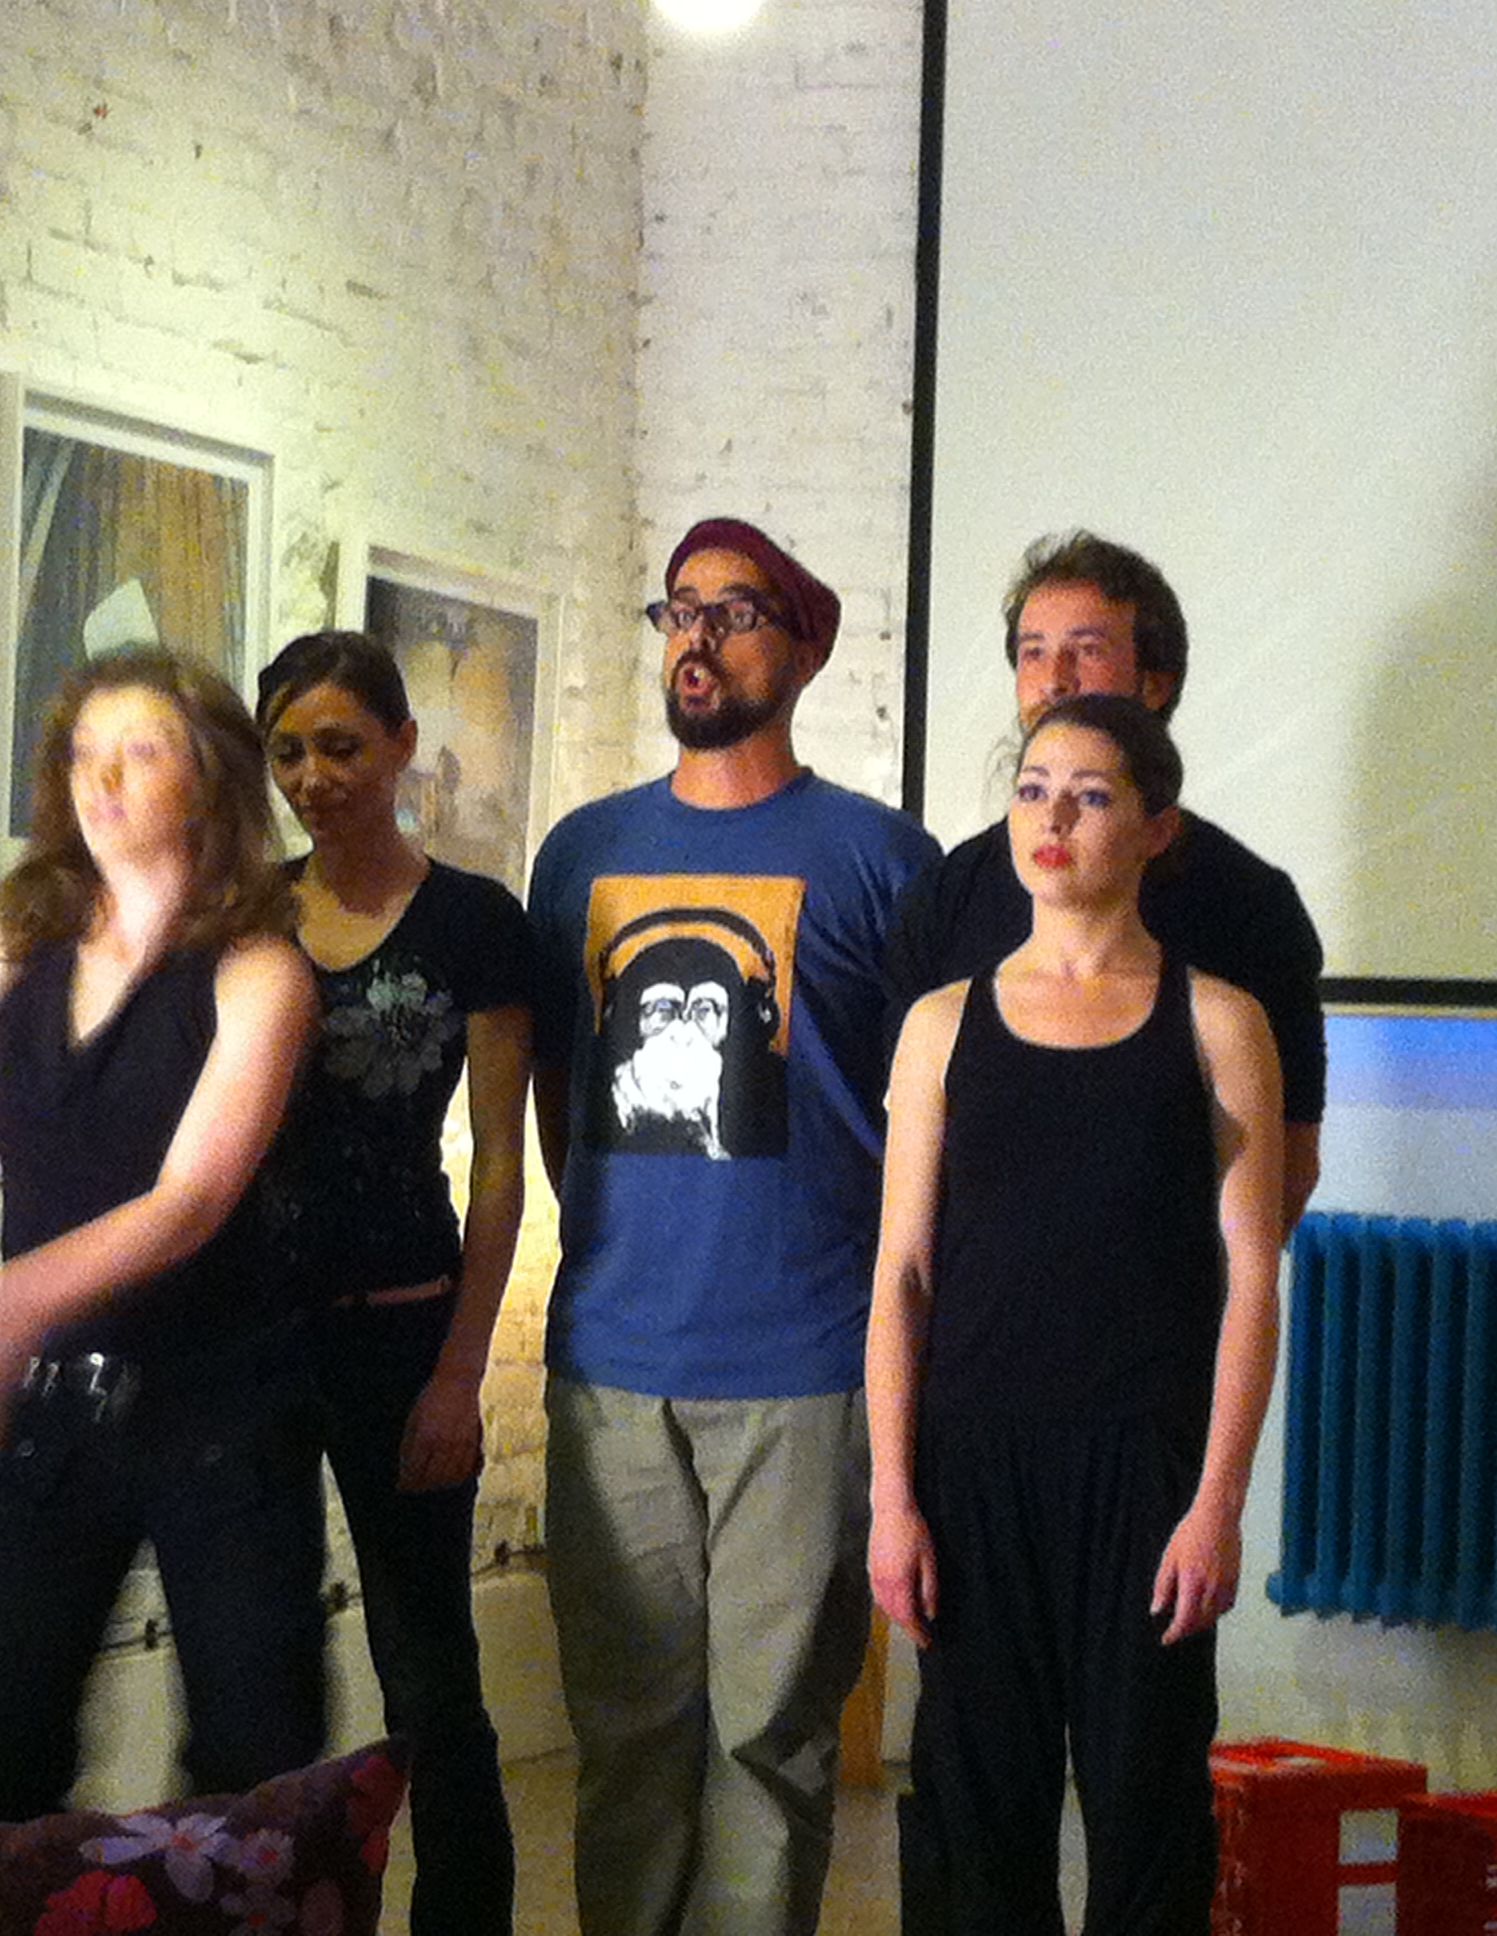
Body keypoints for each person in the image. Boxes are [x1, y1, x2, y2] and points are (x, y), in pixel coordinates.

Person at [0, 646, 328, 1825]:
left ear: (206, 780)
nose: (104, 780)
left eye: (140, 753)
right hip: (50, 1409)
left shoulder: (259, 971)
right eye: (86, 755)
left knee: (256, 1748)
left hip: (220, 1409)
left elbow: (188, 1202)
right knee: (13, 1715)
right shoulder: (1, 961)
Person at [526, 517, 941, 1936]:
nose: (697, 637)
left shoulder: (882, 861)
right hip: (612, 1362)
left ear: (806, 649)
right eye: (680, 608)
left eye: (738, 610)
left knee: (769, 1745)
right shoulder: (583, 852)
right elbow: (559, 1088)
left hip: (807, 1365)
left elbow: (929, 1112)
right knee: (626, 1741)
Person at [867, 693, 1284, 1936]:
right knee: (976, 1825)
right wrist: (893, 1496)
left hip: (1143, 1472)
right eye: (1034, 787)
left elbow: (1252, 1277)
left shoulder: (1218, 1020)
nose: (1053, 815)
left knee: (1148, 1821)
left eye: (1092, 795)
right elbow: (901, 1274)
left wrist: (1216, 1504)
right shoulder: (941, 1023)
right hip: (972, 1465)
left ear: (1156, 828)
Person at [252, 630, 531, 1936]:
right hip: (257, 1342)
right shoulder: (246, 913)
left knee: (427, 1675)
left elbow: (499, 1169)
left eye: (341, 746)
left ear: (403, 746)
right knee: (258, 1674)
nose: (313, 777)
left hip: (407, 1337)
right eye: (288, 752)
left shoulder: (473, 921)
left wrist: (461, 1376)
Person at [879, 530, 1327, 1228]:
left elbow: (1288, 1161)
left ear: (1156, 682)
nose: (1054, 680)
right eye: (1033, 652)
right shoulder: (943, 899)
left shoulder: (1251, 907)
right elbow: (905, 1155)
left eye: (1085, 651)